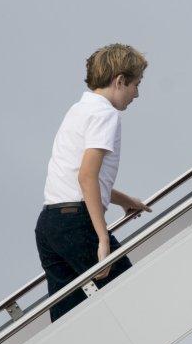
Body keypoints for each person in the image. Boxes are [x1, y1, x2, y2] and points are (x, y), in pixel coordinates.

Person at [35, 43, 152, 322]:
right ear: (120, 81)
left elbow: (83, 177)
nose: (137, 94)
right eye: (136, 84)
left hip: (50, 224)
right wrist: (102, 237)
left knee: (71, 322)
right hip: (77, 222)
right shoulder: (105, 115)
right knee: (130, 298)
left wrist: (127, 201)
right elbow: (86, 176)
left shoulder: (78, 110)